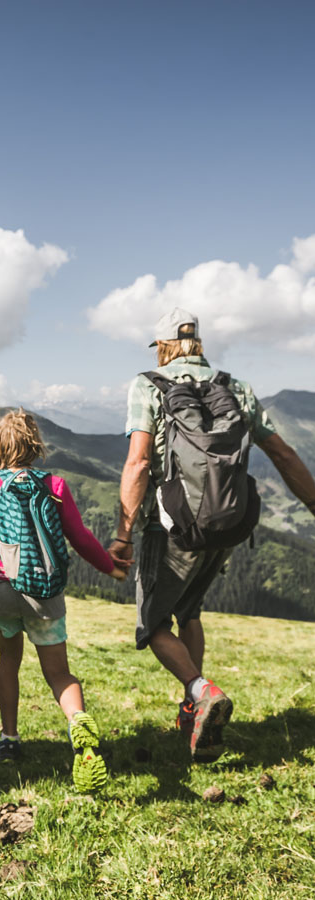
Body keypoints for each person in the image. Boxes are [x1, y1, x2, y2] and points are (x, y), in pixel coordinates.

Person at [110, 307, 315, 762]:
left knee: (154, 623)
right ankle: (195, 716)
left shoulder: (148, 384)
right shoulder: (234, 386)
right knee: (191, 612)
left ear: (162, 344)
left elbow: (139, 462)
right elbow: (280, 453)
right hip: (227, 526)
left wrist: (123, 533)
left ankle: (201, 692)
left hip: (171, 528)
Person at [0, 409, 126, 793]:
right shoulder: (55, 485)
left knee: (9, 661)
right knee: (59, 673)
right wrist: (109, 567)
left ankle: (9, 738)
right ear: (35, 446)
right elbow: (80, 537)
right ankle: (78, 722)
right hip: (43, 591)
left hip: (0, 589)